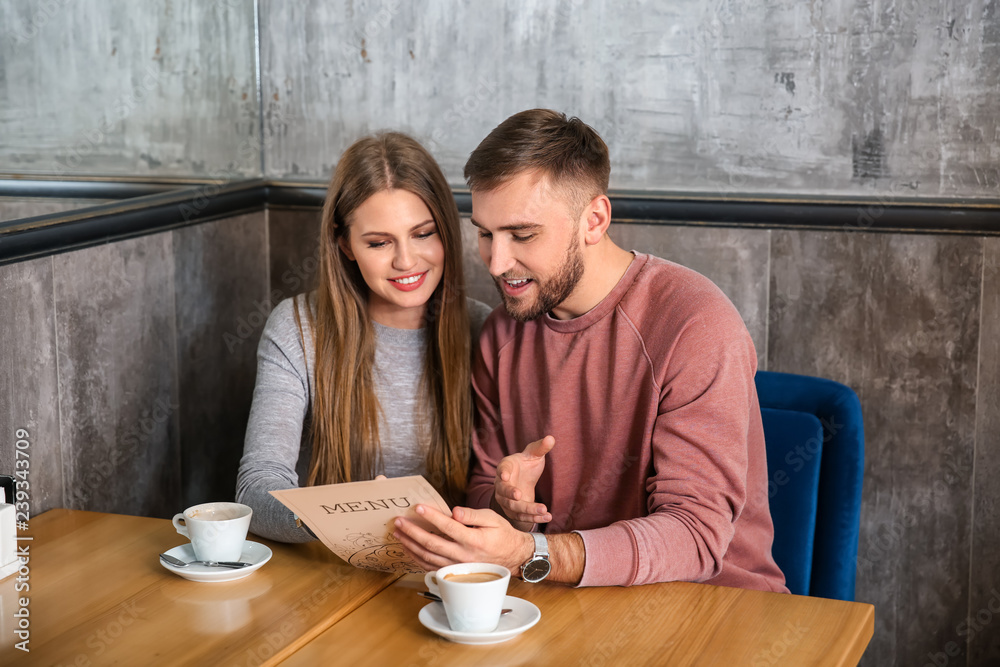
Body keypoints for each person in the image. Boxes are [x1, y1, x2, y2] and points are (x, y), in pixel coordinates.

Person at [393, 109, 788, 592]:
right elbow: (485, 493)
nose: (496, 263)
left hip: (714, 610)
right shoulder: (501, 332)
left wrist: (531, 553)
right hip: (571, 606)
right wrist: (506, 503)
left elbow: (695, 536)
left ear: (594, 220)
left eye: (522, 235)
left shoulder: (695, 323)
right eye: (484, 233)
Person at [237, 132, 493, 542]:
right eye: (378, 242)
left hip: (444, 576)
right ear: (345, 244)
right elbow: (255, 490)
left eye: (423, 233)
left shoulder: (487, 331)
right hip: (325, 573)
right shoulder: (297, 327)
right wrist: (345, 516)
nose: (406, 261)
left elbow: (498, 494)